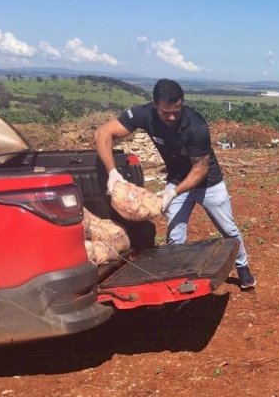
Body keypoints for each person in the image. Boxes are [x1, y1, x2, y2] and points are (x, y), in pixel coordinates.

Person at [94, 79, 256, 289]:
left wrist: (172, 194)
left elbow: (200, 169)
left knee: (228, 229)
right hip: (177, 179)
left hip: (208, 183)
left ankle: (243, 269)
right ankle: (179, 282)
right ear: (155, 106)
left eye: (176, 111)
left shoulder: (196, 126)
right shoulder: (144, 114)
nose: (171, 116)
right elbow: (103, 133)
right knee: (175, 235)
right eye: (166, 112)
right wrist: (112, 172)